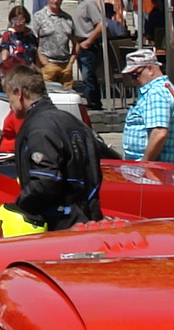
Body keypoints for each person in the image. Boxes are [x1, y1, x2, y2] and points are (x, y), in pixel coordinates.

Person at [9, 67, 104, 232]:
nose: (10, 104)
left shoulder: (40, 127)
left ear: (19, 93)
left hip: (61, 224)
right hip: (85, 218)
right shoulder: (69, 120)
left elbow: (46, 181)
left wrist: (20, 206)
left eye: (8, 96)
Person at [121, 47, 174, 167]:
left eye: (135, 75)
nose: (133, 81)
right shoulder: (160, 89)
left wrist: (144, 165)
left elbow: (159, 133)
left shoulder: (156, 93)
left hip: (154, 171)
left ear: (150, 69)